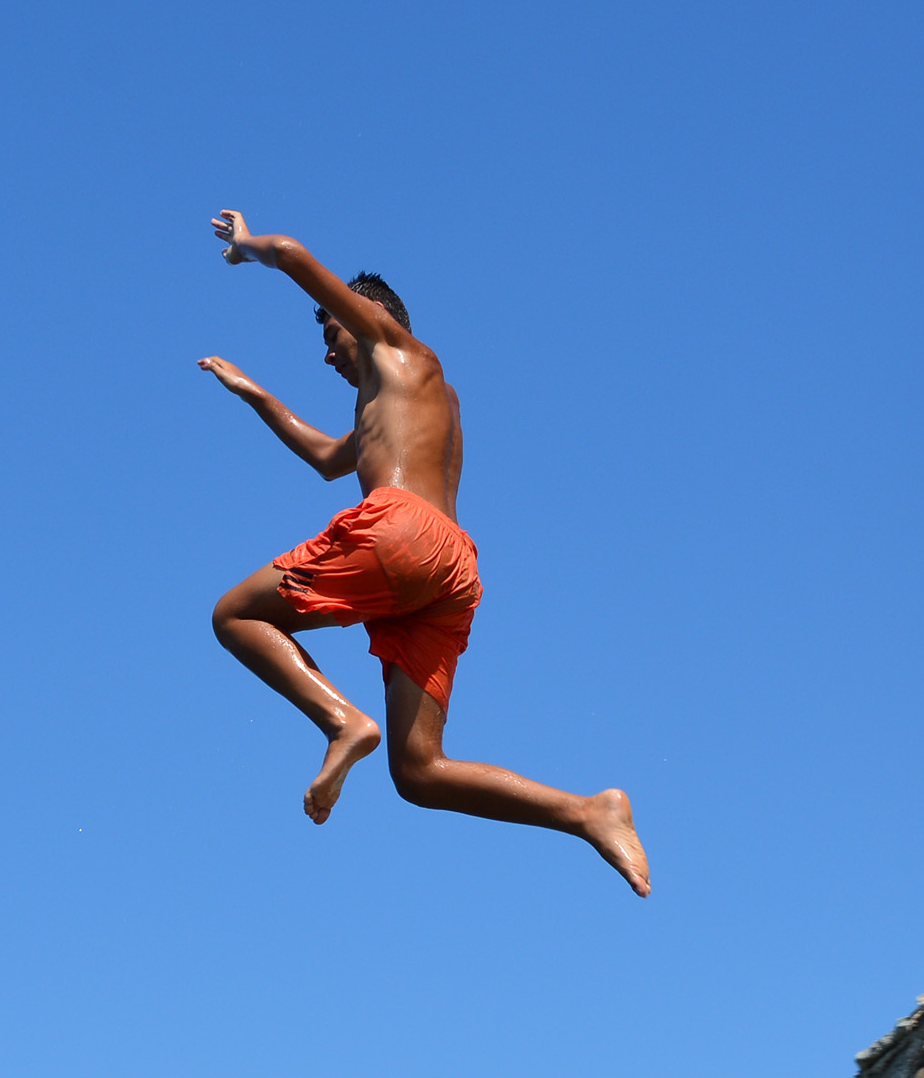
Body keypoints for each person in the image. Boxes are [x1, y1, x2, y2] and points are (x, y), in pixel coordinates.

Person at [196, 211, 648, 895]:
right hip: (448, 573)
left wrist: (245, 248)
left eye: (330, 329)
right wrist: (254, 393)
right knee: (417, 772)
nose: (326, 352)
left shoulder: (399, 348)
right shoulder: (414, 396)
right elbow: (326, 459)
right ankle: (588, 812)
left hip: (401, 533)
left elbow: (288, 252)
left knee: (233, 615)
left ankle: (340, 720)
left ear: (369, 317)